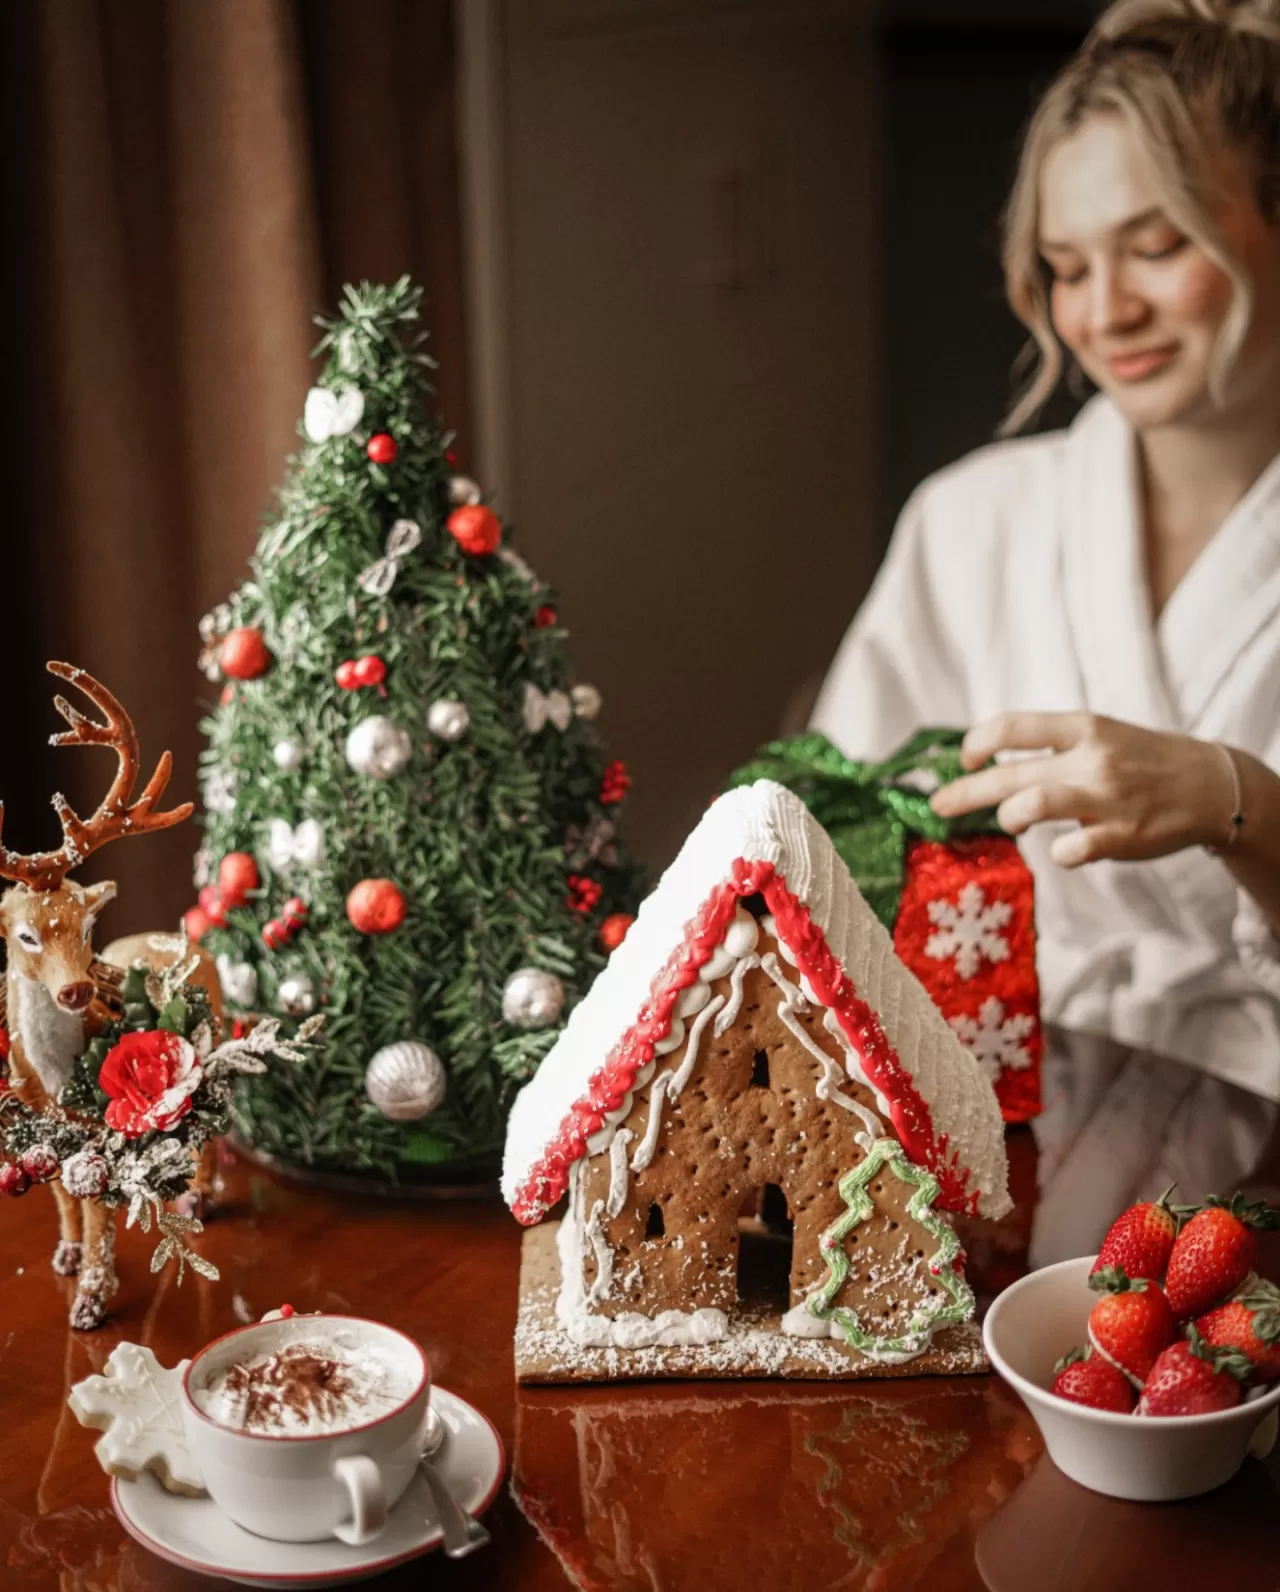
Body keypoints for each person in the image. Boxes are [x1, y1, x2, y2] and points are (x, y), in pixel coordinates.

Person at [812, 0, 1280, 1100]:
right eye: (1065, 267)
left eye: (1157, 246)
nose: (1103, 310)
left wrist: (1235, 798)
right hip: (1014, 1083)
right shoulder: (970, 520)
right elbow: (835, 851)